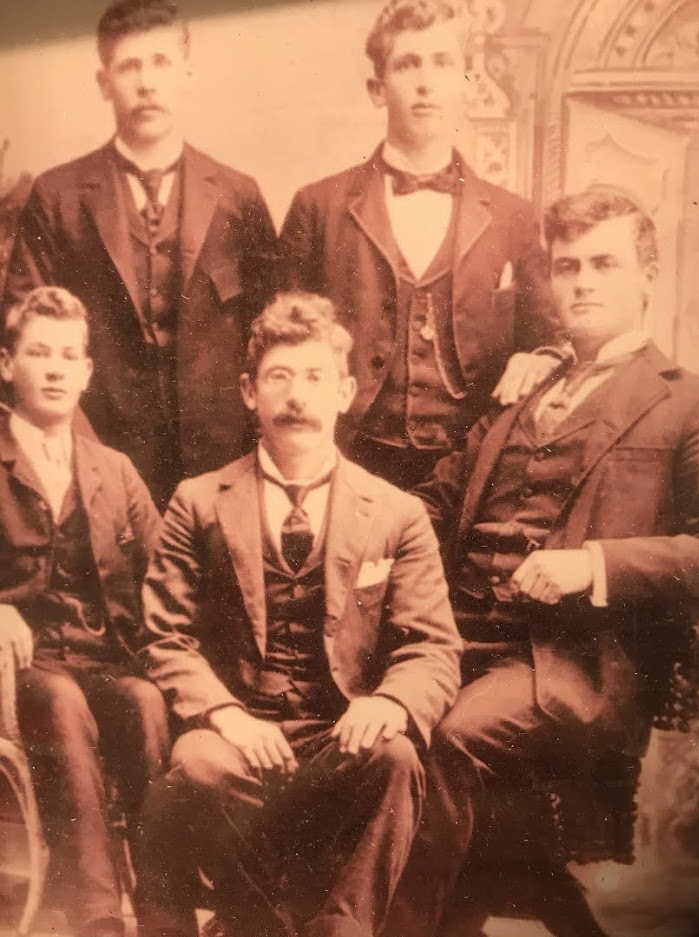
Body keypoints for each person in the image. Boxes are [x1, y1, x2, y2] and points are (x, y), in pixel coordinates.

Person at [384, 185, 699, 937]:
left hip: (572, 660)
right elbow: (430, 502)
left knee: (447, 738)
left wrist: (591, 563)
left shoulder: (686, 401)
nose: (583, 282)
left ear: (646, 277)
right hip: (459, 636)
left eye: (604, 264)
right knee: (366, 726)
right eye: (566, 267)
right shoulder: (520, 390)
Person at [135, 291, 461, 937]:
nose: (297, 396)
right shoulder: (197, 501)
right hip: (236, 729)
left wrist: (390, 702)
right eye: (278, 376)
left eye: (314, 377)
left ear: (344, 392)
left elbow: (433, 646)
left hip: (338, 731)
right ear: (248, 391)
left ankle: (339, 929)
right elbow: (166, 636)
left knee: (396, 757)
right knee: (199, 766)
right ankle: (253, 918)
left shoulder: (395, 512)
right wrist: (225, 712)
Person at [3, 0, 277, 508]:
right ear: (104, 82)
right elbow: (21, 329)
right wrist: (79, 447)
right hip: (95, 453)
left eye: (161, 63)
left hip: (220, 458)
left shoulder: (239, 196)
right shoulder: (58, 196)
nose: (147, 83)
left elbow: (274, 335)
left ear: (187, 75)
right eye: (130, 66)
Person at [278, 0, 563, 490]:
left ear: (467, 84)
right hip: (346, 457)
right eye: (408, 64)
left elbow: (550, 339)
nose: (425, 82)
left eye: (443, 62)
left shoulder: (513, 216)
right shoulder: (318, 207)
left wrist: (542, 355)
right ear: (377, 89)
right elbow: (281, 343)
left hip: (471, 464)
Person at [0, 286, 170, 937]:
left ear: (87, 372)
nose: (54, 368)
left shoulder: (114, 468)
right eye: (38, 351)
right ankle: (97, 914)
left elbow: (167, 574)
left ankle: (164, 904)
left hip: (103, 655)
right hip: (22, 665)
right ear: (6, 362)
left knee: (145, 703)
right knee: (64, 704)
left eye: (69, 355)